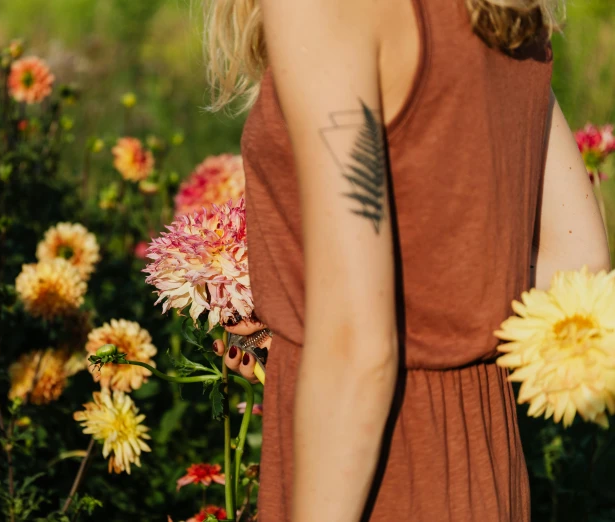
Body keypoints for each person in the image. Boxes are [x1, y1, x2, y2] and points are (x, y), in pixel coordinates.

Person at [206, 0, 610, 521]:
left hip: (378, 468)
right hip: (483, 457)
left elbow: (358, 348)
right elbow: (579, 258)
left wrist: (333, 340)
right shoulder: (501, 10)